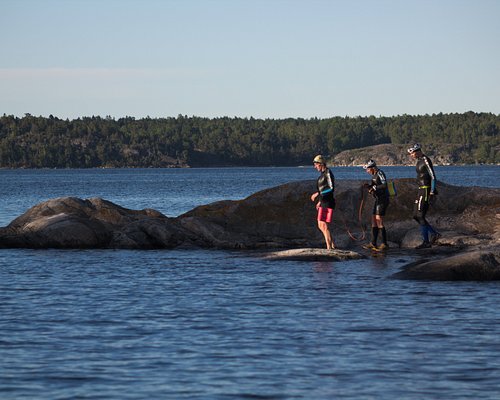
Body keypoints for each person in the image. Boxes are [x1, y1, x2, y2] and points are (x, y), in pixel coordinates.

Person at [407, 143, 441, 249]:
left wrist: (432, 191)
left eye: (412, 153)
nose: (411, 155)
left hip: (426, 190)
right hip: (420, 190)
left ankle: (426, 241)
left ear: (417, 151)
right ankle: (434, 233)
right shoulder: (419, 161)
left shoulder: (426, 159)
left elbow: (433, 176)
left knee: (421, 216)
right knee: (415, 215)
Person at [362, 159, 389, 251]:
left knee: (379, 220)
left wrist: (374, 187)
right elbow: (375, 186)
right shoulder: (373, 175)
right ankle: (373, 243)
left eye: (368, 169)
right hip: (377, 199)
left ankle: (384, 243)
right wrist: (369, 187)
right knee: (373, 219)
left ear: (372, 168)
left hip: (383, 199)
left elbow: (384, 185)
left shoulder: (380, 173)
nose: (367, 171)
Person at [310, 155, 336, 249]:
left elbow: (331, 188)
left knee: (323, 225)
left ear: (320, 164)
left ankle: (329, 248)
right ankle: (332, 245)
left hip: (328, 202)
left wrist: (318, 194)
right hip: (323, 202)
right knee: (320, 225)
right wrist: (319, 201)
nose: (315, 167)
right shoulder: (323, 174)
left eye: (316, 164)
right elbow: (323, 189)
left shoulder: (328, 173)